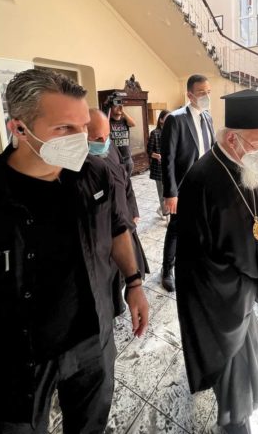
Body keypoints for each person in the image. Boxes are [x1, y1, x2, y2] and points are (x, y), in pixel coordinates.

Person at [0, 68, 148, 434]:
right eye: (64, 128)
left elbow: (117, 228)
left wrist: (134, 283)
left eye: (82, 126)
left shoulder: (94, 174)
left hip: (92, 341)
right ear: (19, 129)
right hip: (15, 364)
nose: (80, 139)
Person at [175, 89, 258, 434]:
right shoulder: (201, 179)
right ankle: (236, 423)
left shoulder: (242, 164)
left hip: (239, 287)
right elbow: (203, 249)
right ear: (232, 139)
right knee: (233, 365)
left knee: (252, 354)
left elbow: (250, 214)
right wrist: (254, 270)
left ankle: (242, 411)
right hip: (217, 295)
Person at [160, 74, 215, 291]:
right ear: (190, 95)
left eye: (208, 92)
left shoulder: (208, 117)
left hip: (205, 185)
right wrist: (170, 193)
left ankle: (197, 262)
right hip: (183, 186)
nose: (206, 96)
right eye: (202, 93)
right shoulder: (176, 119)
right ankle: (167, 269)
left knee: (202, 225)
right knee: (175, 228)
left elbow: (211, 150)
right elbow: (168, 158)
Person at [87, 108, 150, 283]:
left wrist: (133, 209)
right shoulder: (80, 166)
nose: (104, 142)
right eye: (97, 139)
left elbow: (126, 180)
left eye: (107, 136)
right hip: (104, 236)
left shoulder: (111, 147)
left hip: (126, 220)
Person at [104, 91, 136, 177]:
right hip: (115, 158)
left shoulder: (125, 120)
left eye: (120, 105)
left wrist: (123, 111)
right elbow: (104, 127)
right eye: (115, 106)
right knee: (118, 180)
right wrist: (108, 109)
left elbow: (133, 124)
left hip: (127, 158)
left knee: (127, 180)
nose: (118, 108)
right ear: (111, 108)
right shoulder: (108, 121)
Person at [147, 109, 170, 220]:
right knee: (162, 194)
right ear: (161, 120)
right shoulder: (154, 133)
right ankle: (167, 218)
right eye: (167, 117)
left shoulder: (172, 131)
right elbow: (149, 151)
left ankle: (161, 209)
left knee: (171, 192)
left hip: (170, 167)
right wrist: (157, 155)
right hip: (159, 168)